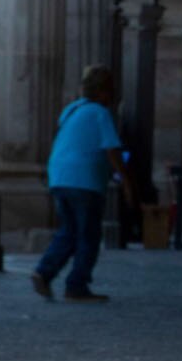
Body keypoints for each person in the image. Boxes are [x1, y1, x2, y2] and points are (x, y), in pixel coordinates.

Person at [32, 65, 134, 303]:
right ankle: (76, 286)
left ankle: (43, 272)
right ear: (105, 92)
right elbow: (112, 150)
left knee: (68, 230)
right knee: (88, 235)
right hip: (84, 181)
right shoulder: (100, 113)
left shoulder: (71, 110)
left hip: (59, 175)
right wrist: (127, 182)